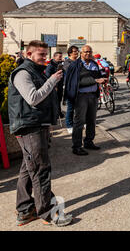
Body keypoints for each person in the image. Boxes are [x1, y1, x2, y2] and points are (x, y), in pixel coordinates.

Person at [8, 40, 72, 227]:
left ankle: (25, 210)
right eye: (41, 54)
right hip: (29, 127)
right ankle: (48, 213)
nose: (45, 57)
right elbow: (33, 98)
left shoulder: (38, 71)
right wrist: (52, 81)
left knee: (28, 169)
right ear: (28, 54)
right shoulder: (23, 73)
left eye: (46, 54)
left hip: (37, 125)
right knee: (40, 169)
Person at [65, 45, 106, 156]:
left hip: (93, 95)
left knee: (91, 120)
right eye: (85, 52)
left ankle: (89, 141)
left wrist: (102, 78)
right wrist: (95, 80)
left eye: (90, 51)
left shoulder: (94, 64)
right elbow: (75, 82)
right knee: (79, 122)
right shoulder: (75, 65)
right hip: (81, 96)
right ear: (81, 53)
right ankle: (77, 146)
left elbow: (100, 75)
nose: (88, 53)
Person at [63, 45, 79, 134]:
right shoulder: (67, 62)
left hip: (79, 88)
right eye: (75, 51)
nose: (77, 53)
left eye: (77, 51)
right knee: (70, 108)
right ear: (70, 53)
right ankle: (69, 125)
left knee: (79, 107)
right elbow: (72, 70)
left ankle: (78, 123)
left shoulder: (78, 62)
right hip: (70, 88)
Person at [45, 51, 64, 118]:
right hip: (54, 86)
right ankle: (54, 114)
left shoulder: (60, 64)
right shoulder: (50, 66)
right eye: (59, 57)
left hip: (60, 85)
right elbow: (47, 76)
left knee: (59, 100)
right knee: (54, 100)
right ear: (54, 57)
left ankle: (58, 112)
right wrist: (54, 85)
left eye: (61, 57)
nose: (60, 58)